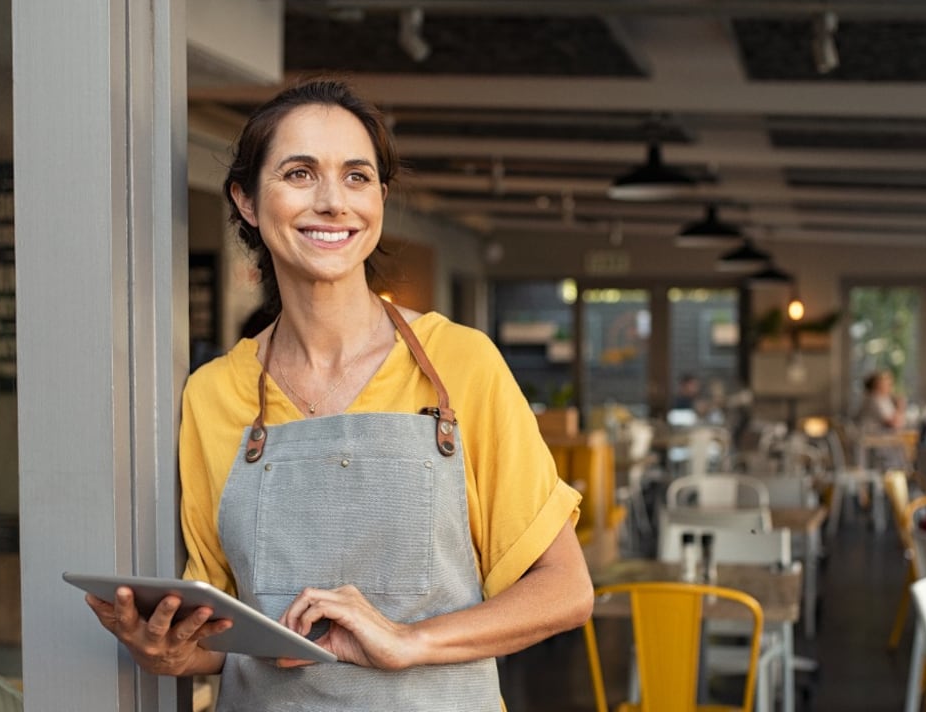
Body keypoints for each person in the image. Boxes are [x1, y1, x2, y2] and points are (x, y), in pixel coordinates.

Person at [83, 79, 594, 709]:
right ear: (245, 200)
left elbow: (566, 590)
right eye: (300, 173)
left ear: (379, 197)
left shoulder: (461, 363)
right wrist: (173, 652)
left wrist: (410, 640)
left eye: (357, 177)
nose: (333, 202)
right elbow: (223, 630)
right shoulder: (213, 394)